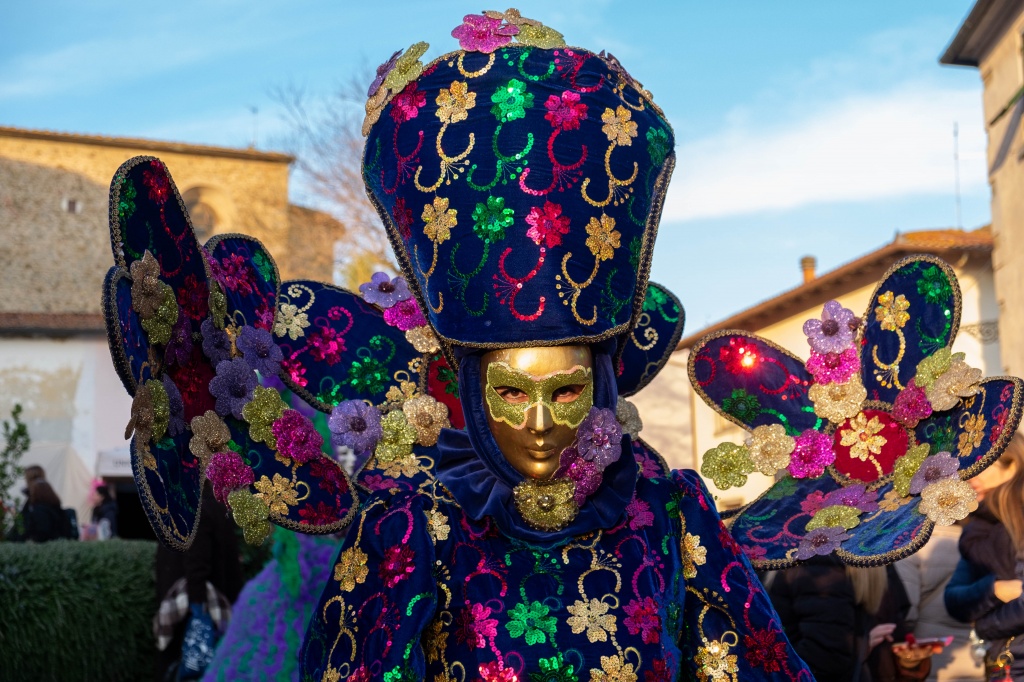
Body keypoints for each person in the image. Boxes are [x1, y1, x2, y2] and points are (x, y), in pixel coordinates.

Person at [945, 431, 1024, 680]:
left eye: (982, 463)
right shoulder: (979, 527)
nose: (970, 475)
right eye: (968, 466)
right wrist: (995, 589)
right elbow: (955, 599)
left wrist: (983, 626)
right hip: (1005, 662)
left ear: (1012, 463)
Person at [155, 483, 243, 682]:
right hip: (197, 612)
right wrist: (198, 614)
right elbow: (196, 567)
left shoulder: (185, 509)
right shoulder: (202, 510)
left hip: (187, 611)